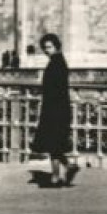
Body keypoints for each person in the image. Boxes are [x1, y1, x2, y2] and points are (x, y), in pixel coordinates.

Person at [30, 33, 76, 186]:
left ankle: (55, 176)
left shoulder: (56, 63)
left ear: (56, 46)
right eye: (45, 48)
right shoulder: (58, 61)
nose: (46, 50)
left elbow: (54, 88)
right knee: (55, 143)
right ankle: (68, 167)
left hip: (55, 108)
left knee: (53, 143)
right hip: (57, 107)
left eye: (49, 47)